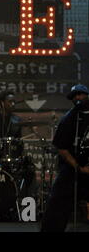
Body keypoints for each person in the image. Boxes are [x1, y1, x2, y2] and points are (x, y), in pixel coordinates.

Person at [41, 84, 89, 232]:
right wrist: (78, 167)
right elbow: (61, 148)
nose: (77, 98)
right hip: (72, 167)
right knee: (57, 201)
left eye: (80, 94)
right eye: (74, 96)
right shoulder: (69, 119)